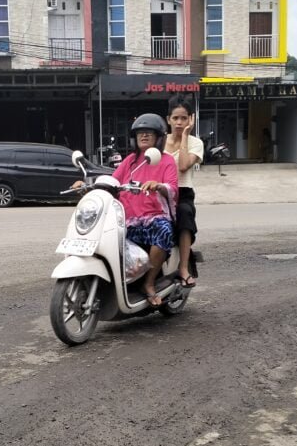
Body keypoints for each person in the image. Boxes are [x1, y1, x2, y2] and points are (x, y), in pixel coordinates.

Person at [73, 113, 178, 305]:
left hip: (154, 218)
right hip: (127, 219)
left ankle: (149, 283)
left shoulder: (166, 160)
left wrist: (159, 186)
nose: (143, 136)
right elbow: (112, 182)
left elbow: (172, 187)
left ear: (159, 138)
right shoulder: (130, 160)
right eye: (140, 133)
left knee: (164, 231)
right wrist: (86, 185)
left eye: (149, 133)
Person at [163, 94, 204, 287]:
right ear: (168, 119)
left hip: (182, 193)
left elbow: (183, 166)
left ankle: (183, 268)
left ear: (190, 119)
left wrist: (185, 136)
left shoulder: (196, 143)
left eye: (184, 118)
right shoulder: (159, 141)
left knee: (185, 214)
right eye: (175, 118)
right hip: (160, 192)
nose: (179, 122)